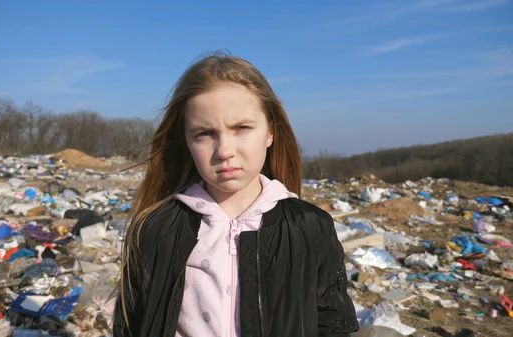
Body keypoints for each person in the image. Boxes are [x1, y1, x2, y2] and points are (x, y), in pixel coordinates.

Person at [113, 51, 359, 337]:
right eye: (204, 133)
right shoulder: (155, 230)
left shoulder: (311, 227)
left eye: (242, 128)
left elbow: (332, 325)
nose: (224, 151)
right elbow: (130, 326)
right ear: (187, 141)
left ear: (270, 132)